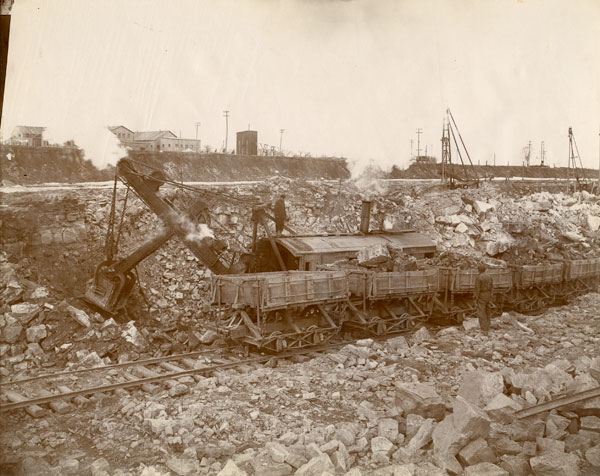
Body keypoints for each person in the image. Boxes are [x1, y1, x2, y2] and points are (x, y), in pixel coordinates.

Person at [474, 263, 493, 335]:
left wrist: (476, 298)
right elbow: (492, 287)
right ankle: (488, 327)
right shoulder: (489, 276)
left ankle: (484, 330)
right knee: (488, 311)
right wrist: (491, 296)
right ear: (485, 270)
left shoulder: (479, 277)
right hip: (488, 294)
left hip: (482, 295)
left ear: (478, 270)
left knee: (481, 312)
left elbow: (477, 289)